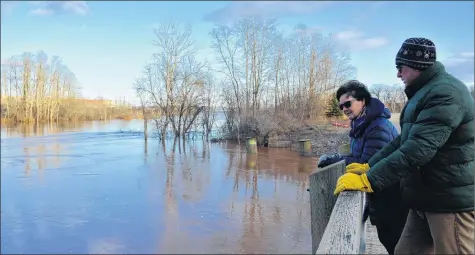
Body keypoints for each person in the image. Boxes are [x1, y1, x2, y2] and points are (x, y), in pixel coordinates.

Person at [334, 37, 474, 254]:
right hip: (423, 198)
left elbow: (418, 149)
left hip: (449, 200)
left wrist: (367, 180)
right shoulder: (423, 93)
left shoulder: (445, 93)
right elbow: (403, 141)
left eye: (401, 67)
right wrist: (369, 166)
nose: (398, 74)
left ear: (417, 65)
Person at [317, 80, 408, 254]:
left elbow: (368, 163)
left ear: (363, 101)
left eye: (348, 103)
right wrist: (338, 159)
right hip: (381, 196)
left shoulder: (377, 127)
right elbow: (360, 159)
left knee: (395, 244)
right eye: (341, 106)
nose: (344, 109)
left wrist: (337, 159)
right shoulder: (361, 124)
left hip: (392, 198)